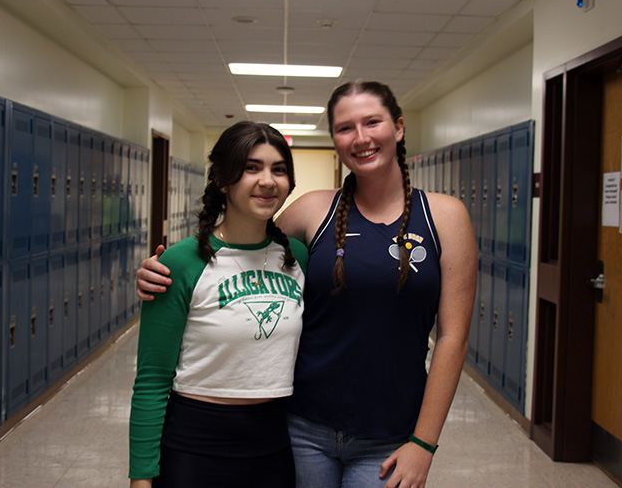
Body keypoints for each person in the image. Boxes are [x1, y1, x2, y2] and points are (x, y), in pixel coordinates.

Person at [136, 81, 477, 488]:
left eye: (373, 122)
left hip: (388, 432)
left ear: (399, 127)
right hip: (301, 429)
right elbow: (240, 246)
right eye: (345, 128)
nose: (361, 137)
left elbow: (453, 338)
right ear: (335, 139)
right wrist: (162, 273)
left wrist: (425, 442)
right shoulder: (315, 209)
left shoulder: (445, 216)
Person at [128, 121, 308, 488]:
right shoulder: (181, 263)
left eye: (279, 169)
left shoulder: (298, 258)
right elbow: (151, 379)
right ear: (222, 179)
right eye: (251, 167)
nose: (268, 181)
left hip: (274, 442)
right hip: (195, 444)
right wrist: (141, 477)